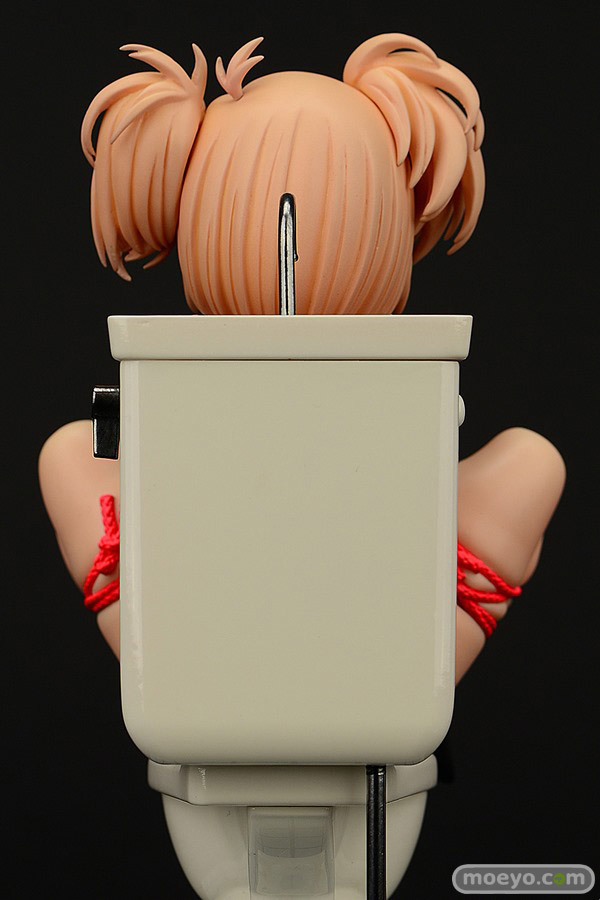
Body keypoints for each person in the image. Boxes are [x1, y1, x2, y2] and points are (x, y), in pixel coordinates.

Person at [39, 32, 565, 681]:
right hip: (363, 637)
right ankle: (366, 677)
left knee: (71, 455)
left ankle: (199, 669)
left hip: (219, 633)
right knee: (529, 464)